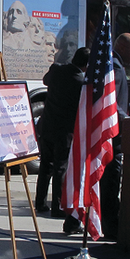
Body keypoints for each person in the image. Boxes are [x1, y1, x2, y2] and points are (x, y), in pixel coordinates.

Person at [34, 47, 91, 228]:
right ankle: (57, 205)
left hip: (48, 124)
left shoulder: (57, 70)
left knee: (45, 166)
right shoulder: (80, 82)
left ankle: (40, 201)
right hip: (64, 130)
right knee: (60, 167)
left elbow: (46, 81)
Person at [100, 33, 130, 240]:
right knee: (110, 180)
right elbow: (112, 104)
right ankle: (111, 227)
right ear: (124, 48)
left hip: (110, 133)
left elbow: (118, 100)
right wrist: (128, 120)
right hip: (113, 136)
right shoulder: (115, 66)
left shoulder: (110, 62)